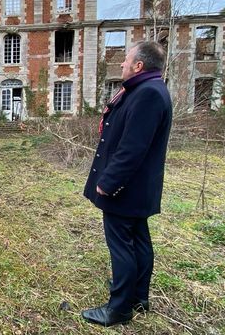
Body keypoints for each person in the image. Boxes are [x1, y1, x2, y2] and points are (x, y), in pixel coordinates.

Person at [81, 41, 172, 327]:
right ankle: (138, 296)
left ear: (138, 65)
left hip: (127, 189)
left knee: (121, 245)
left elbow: (132, 148)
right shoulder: (148, 90)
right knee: (139, 241)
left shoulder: (147, 94)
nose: (121, 64)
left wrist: (108, 182)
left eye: (126, 60)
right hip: (138, 188)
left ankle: (119, 309)